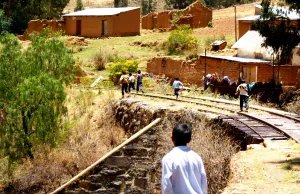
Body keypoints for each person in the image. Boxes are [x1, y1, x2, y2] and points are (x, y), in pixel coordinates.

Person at [161, 123, 207, 194]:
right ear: (189, 140)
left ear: (172, 138)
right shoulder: (197, 157)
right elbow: (203, 182)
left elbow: (166, 185)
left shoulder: (168, 159)